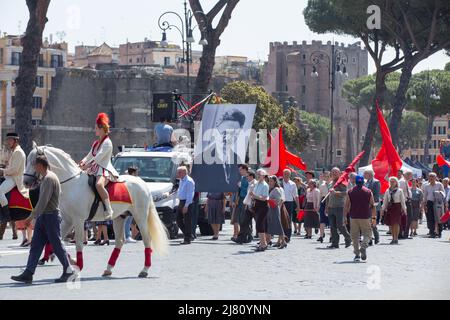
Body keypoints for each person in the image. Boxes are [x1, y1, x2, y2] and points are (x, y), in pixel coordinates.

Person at [11, 155, 75, 284]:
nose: (34, 168)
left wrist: (30, 217)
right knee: (36, 245)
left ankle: (69, 270)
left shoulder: (49, 179)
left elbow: (43, 202)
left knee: (56, 244)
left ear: (40, 165)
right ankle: (29, 273)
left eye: (35, 165)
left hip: (50, 216)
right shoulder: (46, 178)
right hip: (44, 216)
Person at [79, 113, 119, 220]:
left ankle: (109, 209)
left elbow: (98, 158)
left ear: (101, 128)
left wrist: (86, 166)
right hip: (95, 168)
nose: (95, 130)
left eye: (96, 128)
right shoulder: (96, 143)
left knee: (99, 185)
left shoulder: (107, 143)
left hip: (104, 169)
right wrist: (82, 162)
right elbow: (89, 155)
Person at [344, 175, 376, 262]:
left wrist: (344, 217)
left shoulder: (350, 191)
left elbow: (346, 205)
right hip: (365, 216)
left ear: (356, 182)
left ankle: (357, 254)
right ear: (363, 182)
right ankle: (363, 246)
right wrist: (374, 217)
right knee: (368, 234)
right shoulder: (368, 191)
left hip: (353, 216)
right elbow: (372, 205)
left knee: (355, 236)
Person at [0, 132, 27, 223]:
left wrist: (3, 171)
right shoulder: (14, 151)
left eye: (10, 140)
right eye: (8, 140)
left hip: (15, 178)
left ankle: (6, 215)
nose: (8, 142)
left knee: (0, 190)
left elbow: (14, 170)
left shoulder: (18, 152)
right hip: (10, 176)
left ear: (15, 141)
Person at [326, 167, 351, 249]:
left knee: (340, 225)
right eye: (333, 172)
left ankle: (348, 238)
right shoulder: (330, 183)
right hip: (331, 206)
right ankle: (335, 243)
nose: (334, 174)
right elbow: (328, 196)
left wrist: (336, 192)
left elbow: (345, 193)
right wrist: (327, 206)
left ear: (340, 173)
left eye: (336, 172)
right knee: (332, 226)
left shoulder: (341, 182)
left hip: (339, 206)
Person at [381, 177, 407, 244]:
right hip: (390, 208)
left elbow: (402, 201)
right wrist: (383, 209)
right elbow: (385, 201)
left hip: (397, 207)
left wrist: (404, 209)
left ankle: (396, 238)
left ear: (396, 182)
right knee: (391, 224)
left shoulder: (399, 190)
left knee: (396, 223)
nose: (392, 183)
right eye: (391, 181)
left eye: (393, 181)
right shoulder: (387, 191)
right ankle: (393, 238)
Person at [251, 169, 269, 251]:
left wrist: (254, 196)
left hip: (263, 205)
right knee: (258, 225)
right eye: (257, 174)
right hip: (257, 205)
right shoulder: (257, 184)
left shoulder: (265, 185)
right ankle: (263, 243)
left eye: (260, 174)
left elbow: (264, 198)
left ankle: (264, 244)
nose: (258, 176)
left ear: (264, 175)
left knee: (259, 224)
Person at [176, 166, 195, 245]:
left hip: (187, 202)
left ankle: (187, 238)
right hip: (181, 201)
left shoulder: (189, 181)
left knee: (187, 221)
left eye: (179, 172)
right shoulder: (181, 180)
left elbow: (190, 195)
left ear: (184, 172)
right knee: (178, 220)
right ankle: (189, 235)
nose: (177, 174)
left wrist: (186, 206)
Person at [236, 170, 256, 244]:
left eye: (247, 176)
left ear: (251, 176)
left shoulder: (254, 184)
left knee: (259, 223)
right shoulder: (250, 184)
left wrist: (249, 205)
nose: (246, 177)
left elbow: (253, 196)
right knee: (244, 222)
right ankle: (241, 238)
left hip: (253, 207)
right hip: (248, 206)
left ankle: (265, 239)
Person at [267, 176, 287, 249]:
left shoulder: (276, 189)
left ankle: (283, 241)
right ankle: (269, 241)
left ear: (275, 182)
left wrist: (270, 200)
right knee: (271, 225)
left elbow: (278, 201)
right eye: (269, 181)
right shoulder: (271, 189)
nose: (270, 182)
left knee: (278, 225)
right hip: (271, 209)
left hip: (274, 209)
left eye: (271, 181)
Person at [422, 172, 445, 238]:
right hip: (430, 203)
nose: (431, 178)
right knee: (430, 218)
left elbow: (443, 194)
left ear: (435, 177)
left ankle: (439, 232)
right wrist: (424, 204)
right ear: (428, 178)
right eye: (430, 176)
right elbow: (425, 196)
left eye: (433, 176)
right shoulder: (427, 186)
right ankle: (432, 232)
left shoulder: (439, 184)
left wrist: (439, 193)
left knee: (439, 218)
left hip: (438, 202)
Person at [231, 164, 249, 242]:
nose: (239, 171)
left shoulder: (248, 178)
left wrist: (241, 186)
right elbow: (238, 191)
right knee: (237, 218)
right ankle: (239, 235)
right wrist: (235, 200)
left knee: (243, 218)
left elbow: (249, 189)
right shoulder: (241, 178)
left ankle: (245, 236)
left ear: (245, 169)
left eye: (241, 169)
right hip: (240, 199)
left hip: (246, 199)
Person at [281, 169, 299, 242]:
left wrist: (298, 206)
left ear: (290, 175)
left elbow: (296, 195)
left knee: (288, 219)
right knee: (280, 219)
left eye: (288, 174)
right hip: (281, 202)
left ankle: (287, 236)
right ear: (283, 174)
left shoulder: (292, 184)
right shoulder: (279, 182)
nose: (286, 175)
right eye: (285, 173)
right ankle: (281, 235)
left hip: (289, 203)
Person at [364, 169, 381, 245]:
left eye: (365, 174)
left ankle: (376, 238)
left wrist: (372, 203)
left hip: (373, 205)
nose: (364, 175)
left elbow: (376, 195)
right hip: (366, 205)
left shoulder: (376, 182)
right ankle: (369, 238)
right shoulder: (365, 182)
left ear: (369, 174)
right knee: (368, 222)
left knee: (373, 222)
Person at [124, 166, 139, 243]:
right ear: (133, 173)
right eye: (136, 172)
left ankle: (126, 236)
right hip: (130, 202)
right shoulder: (132, 181)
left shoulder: (126, 179)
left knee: (127, 220)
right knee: (128, 220)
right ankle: (127, 236)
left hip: (128, 202)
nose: (137, 174)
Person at [317, 172, 330, 243]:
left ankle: (331, 236)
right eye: (326, 176)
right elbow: (319, 195)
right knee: (322, 220)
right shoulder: (322, 185)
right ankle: (321, 236)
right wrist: (318, 204)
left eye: (328, 176)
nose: (327, 178)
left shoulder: (333, 185)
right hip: (323, 202)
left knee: (331, 220)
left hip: (331, 202)